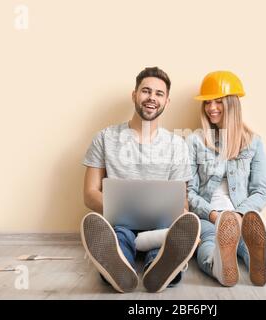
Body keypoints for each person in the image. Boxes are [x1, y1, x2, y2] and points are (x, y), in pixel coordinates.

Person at [81, 67, 200, 293]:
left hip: (161, 226)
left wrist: (177, 215)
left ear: (167, 101)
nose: (151, 98)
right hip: (120, 222)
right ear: (134, 94)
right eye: (146, 91)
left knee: (166, 233)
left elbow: (181, 201)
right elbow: (89, 193)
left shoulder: (177, 145)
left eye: (159, 94)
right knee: (119, 234)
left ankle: (161, 267)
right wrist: (124, 210)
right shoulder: (105, 138)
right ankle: (118, 266)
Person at [186, 71, 266, 287]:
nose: (211, 108)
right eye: (208, 102)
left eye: (219, 102)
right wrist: (214, 215)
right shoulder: (194, 141)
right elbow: (187, 191)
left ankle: (261, 263)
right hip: (207, 215)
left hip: (242, 215)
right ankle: (219, 265)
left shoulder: (254, 142)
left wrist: (237, 216)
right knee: (208, 241)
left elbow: (261, 191)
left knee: (248, 241)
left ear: (232, 104)